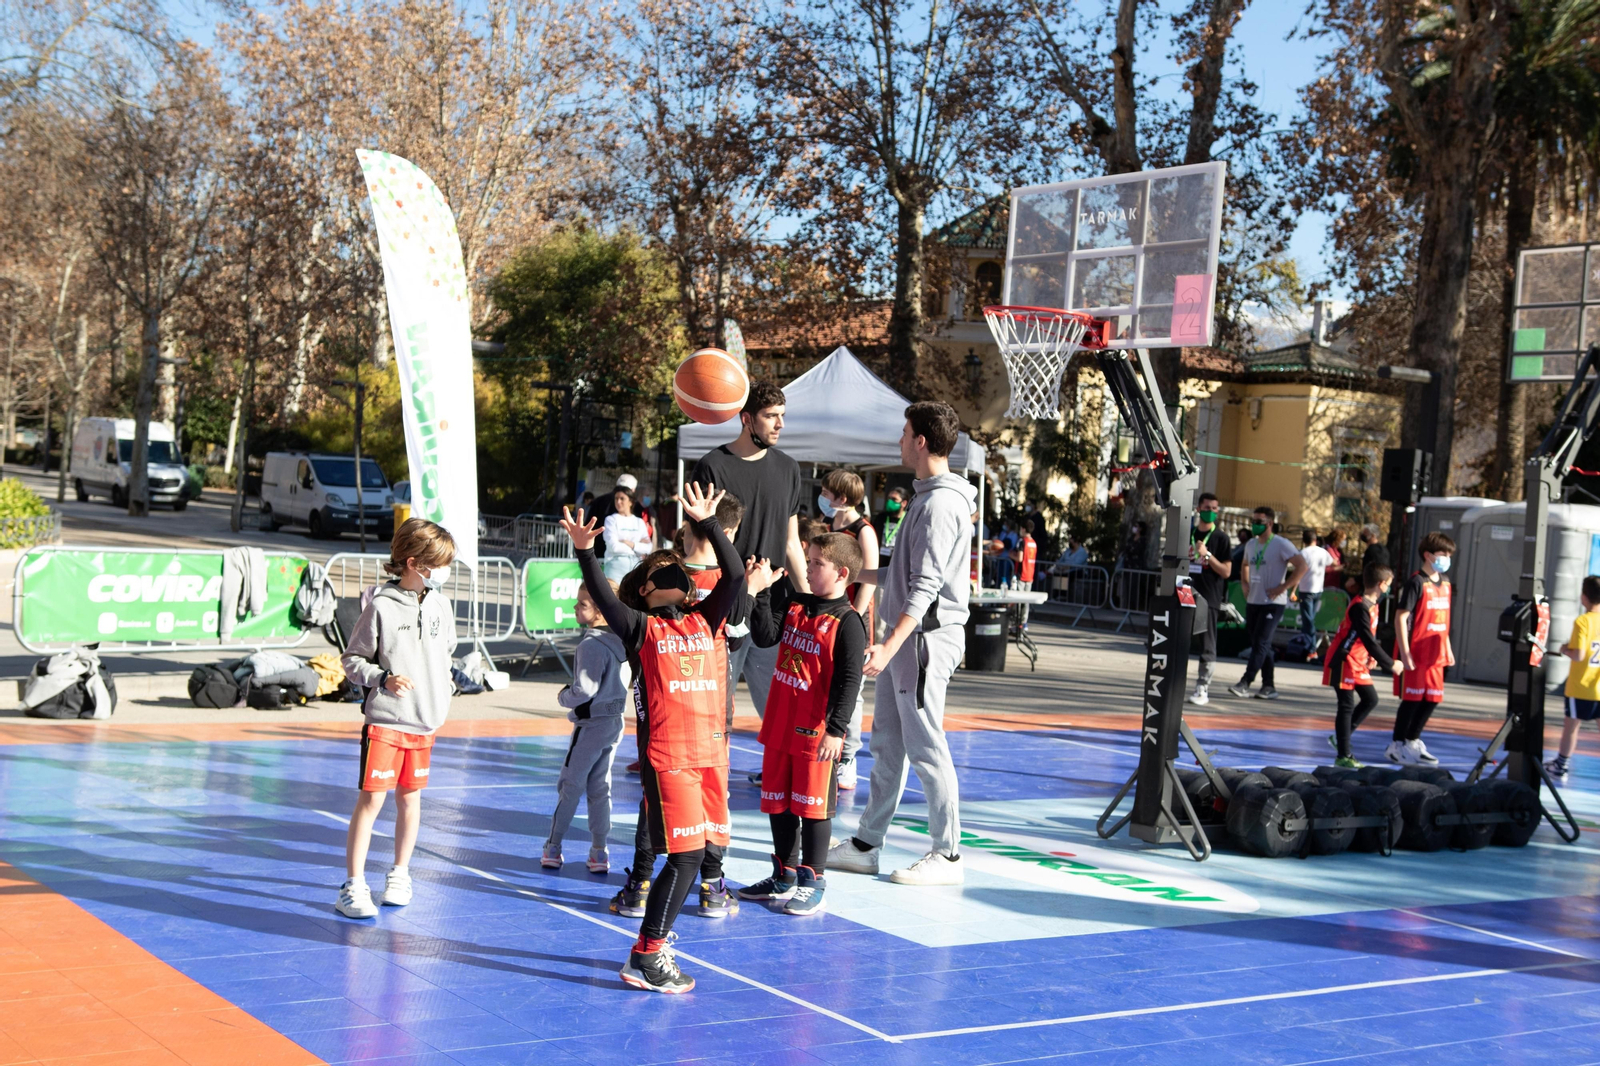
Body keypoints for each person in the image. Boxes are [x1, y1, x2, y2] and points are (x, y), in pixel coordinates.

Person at [561, 481, 743, 994]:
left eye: (680, 571)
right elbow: (601, 592)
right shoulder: (641, 628)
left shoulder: (706, 622)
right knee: (683, 857)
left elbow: (732, 574)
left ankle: (650, 946)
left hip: (710, 757)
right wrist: (583, 551)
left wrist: (708, 523)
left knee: (698, 853)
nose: (678, 575)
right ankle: (647, 952)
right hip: (671, 762)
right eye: (666, 573)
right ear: (644, 589)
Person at [829, 401, 977, 885]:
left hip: (925, 640)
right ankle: (867, 843)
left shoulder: (940, 504)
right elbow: (903, 572)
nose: (898, 440)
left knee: (926, 743)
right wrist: (849, 574)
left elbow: (926, 587)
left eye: (904, 432)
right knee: (888, 743)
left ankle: (948, 855)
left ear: (920, 441)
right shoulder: (927, 497)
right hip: (912, 640)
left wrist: (889, 645)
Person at [737, 532, 868, 916]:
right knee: (778, 805)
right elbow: (763, 636)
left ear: (842, 573)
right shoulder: (796, 604)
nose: (807, 570)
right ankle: (783, 874)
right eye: (807, 561)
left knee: (812, 810)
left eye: (816, 564)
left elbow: (850, 681)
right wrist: (762, 592)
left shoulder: (848, 622)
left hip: (815, 733)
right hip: (780, 724)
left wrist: (836, 729)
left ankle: (814, 880)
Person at [335, 518, 459, 919]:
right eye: (439, 564)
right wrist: (382, 679)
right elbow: (352, 660)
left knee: (411, 800)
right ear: (413, 563)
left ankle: (400, 874)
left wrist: (443, 689)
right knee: (372, 801)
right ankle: (352, 885)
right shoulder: (380, 607)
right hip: (387, 722)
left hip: (425, 724)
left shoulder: (441, 604)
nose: (445, 572)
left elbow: (446, 652)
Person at [691, 382, 808, 780]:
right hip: (726, 603)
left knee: (780, 703)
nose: (780, 425)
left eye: (783, 417)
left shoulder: (789, 468)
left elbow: (792, 541)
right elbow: (702, 540)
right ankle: (712, 786)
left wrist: (809, 598)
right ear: (746, 419)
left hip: (772, 604)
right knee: (718, 706)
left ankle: (784, 783)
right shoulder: (712, 466)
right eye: (771, 416)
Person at [542, 582, 629, 874]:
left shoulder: (591, 644)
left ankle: (553, 846)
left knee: (570, 786)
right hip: (614, 724)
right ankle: (599, 851)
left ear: (600, 610)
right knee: (600, 787)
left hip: (591, 726)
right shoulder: (622, 640)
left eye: (583, 604)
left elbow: (584, 690)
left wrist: (564, 696)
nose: (576, 608)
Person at [818, 469, 878, 791]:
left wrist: (855, 612)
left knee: (851, 689)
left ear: (841, 498)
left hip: (852, 615)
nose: (822, 498)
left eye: (826, 493)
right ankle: (827, 748)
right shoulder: (831, 525)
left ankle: (849, 756)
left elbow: (869, 577)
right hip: (830, 613)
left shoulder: (862, 530)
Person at [1388, 531, 1455, 766]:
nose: (1446, 558)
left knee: (1433, 698)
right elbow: (1400, 616)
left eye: (1448, 554)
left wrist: (1447, 646)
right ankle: (1397, 745)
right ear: (1427, 555)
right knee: (1412, 699)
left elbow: (1444, 618)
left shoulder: (1445, 583)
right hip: (1415, 650)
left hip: (1436, 652)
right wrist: (1404, 652)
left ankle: (1413, 740)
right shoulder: (1416, 581)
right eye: (1442, 554)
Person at [1228, 506, 1307, 701]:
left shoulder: (1281, 544)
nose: (1254, 525)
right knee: (1260, 644)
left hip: (1273, 603)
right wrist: (1245, 584)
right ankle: (1268, 685)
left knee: (1261, 643)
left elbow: (1302, 566)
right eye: (1253, 521)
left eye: (1259, 522)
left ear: (1270, 523)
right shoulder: (1251, 545)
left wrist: (1284, 587)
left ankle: (1245, 682)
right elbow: (1245, 564)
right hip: (1254, 600)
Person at [1324, 563, 1396, 768]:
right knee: (1346, 705)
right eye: (1389, 584)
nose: (1389, 588)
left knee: (1370, 699)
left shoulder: (1373, 605)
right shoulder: (1359, 607)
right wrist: (1389, 663)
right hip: (1343, 660)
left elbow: (1367, 637)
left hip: (1357, 660)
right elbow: (1366, 637)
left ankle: (1341, 737)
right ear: (1381, 584)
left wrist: (1370, 656)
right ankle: (1343, 755)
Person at [1547, 574, 1600, 779]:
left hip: (1581, 686)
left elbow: (1578, 655)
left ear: (1584, 597)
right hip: (1598, 686)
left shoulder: (1583, 621)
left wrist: (1564, 649)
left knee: (1571, 727)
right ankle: (1560, 764)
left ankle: (1561, 765)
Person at [1186, 492, 1233, 706]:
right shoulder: (1188, 532)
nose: (1211, 512)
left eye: (1215, 508)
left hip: (1209, 597)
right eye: (1207, 508)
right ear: (1198, 509)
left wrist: (1206, 555)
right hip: (1184, 593)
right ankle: (1173, 681)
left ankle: (1203, 686)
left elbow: (1226, 572)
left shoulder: (1221, 538)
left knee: (1207, 643)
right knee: (1179, 640)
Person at [602, 489, 653, 581]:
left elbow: (648, 548)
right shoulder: (611, 520)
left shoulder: (639, 522)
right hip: (615, 565)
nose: (618, 502)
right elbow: (614, 547)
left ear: (631, 502)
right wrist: (637, 546)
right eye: (616, 498)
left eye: (622, 499)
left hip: (636, 565)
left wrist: (628, 543)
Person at [1297, 530, 1333, 642]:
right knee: (1309, 617)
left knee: (1307, 619)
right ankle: (1306, 642)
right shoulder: (1322, 552)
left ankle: (1310, 646)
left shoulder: (1303, 553)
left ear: (1304, 541)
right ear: (1315, 540)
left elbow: (1297, 571)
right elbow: (1331, 562)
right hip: (1318, 589)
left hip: (1305, 589)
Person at [1347, 523, 1389, 594]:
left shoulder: (1371, 551)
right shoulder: (1384, 549)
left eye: (1365, 533)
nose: (1363, 535)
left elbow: (1369, 570)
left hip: (1372, 587)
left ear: (1372, 535)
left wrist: (1355, 580)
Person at [878, 486, 909, 567]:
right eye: (889, 498)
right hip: (880, 561)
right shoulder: (881, 518)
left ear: (904, 503)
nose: (890, 502)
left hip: (898, 564)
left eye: (894, 499)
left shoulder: (908, 520)